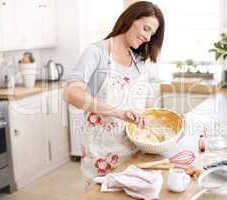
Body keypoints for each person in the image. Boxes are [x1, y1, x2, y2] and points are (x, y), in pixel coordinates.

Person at [64, 1, 165, 190]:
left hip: (134, 156)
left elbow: (139, 106)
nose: (147, 37)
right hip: (102, 158)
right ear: (130, 19)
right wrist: (118, 112)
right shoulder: (97, 52)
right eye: (145, 28)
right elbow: (71, 93)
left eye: (151, 34)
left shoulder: (138, 62)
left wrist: (151, 122)